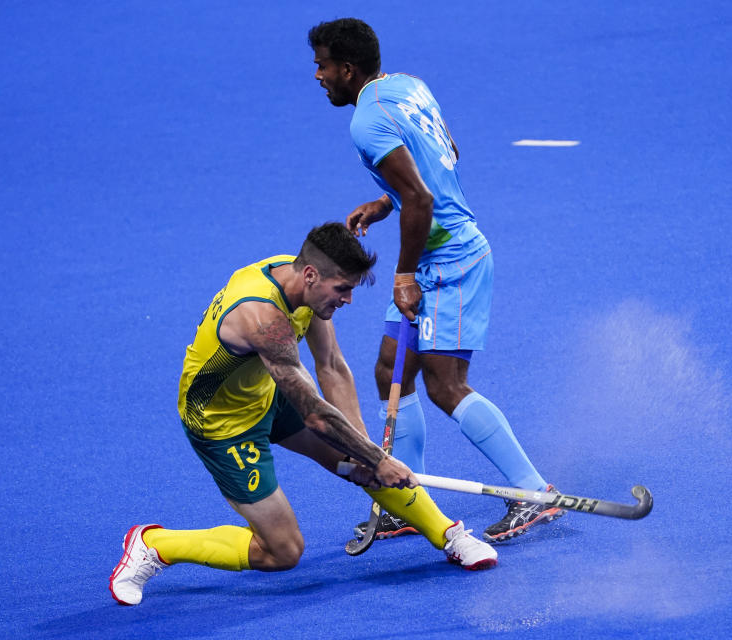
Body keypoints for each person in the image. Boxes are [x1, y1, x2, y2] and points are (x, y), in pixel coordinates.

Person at [109, 223, 497, 606]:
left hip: (269, 392)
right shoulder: (262, 317)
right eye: (342, 289)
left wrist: (364, 452)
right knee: (283, 551)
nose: (347, 300)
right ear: (311, 275)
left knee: (359, 456)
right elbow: (314, 414)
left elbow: (331, 366)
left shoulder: (299, 280)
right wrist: (376, 458)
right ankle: (153, 544)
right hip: (222, 423)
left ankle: (448, 535)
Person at [309, 19, 561, 543]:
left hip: (448, 264)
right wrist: (387, 201)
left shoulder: (365, 122)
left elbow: (422, 198)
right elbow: (445, 157)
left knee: (446, 387)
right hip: (431, 255)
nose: (318, 75)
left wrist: (403, 273)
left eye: (323, 65)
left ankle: (533, 491)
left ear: (347, 70)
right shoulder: (408, 85)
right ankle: (410, 500)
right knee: (389, 371)